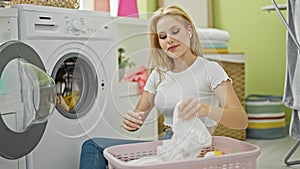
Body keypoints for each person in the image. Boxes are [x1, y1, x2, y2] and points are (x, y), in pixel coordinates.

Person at [79, 5, 248, 169]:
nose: (169, 40)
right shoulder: (158, 75)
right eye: (162, 36)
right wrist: (131, 121)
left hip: (194, 149)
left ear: (189, 31)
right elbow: (138, 116)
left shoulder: (210, 70)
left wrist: (203, 109)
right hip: (164, 144)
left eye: (175, 31)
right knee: (93, 146)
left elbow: (240, 120)